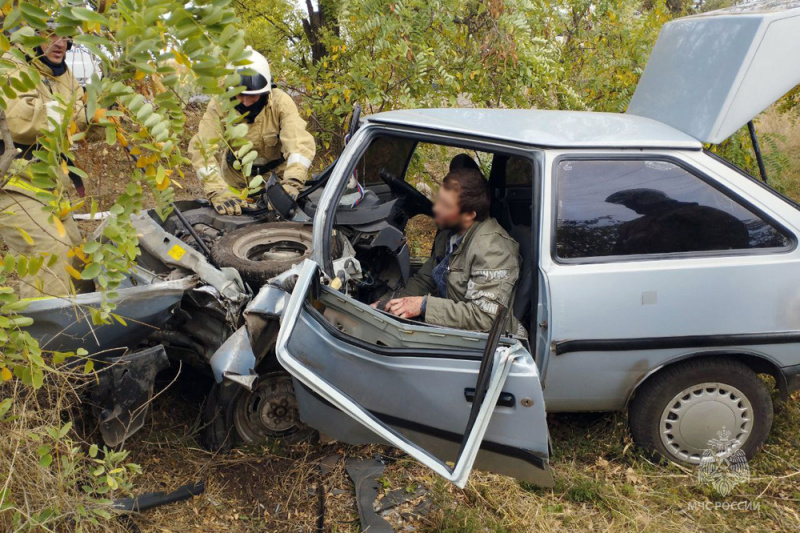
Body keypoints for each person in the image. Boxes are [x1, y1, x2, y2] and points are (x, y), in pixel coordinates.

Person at [375, 166, 523, 334]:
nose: (436, 208)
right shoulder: (448, 235)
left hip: (484, 346)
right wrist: (384, 304)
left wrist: (424, 305)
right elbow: (425, 280)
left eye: (445, 205)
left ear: (469, 215)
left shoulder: (493, 250)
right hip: (455, 330)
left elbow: (485, 319)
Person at [0, 25, 90, 298]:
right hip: (12, 185)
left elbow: (80, 121)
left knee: (79, 254)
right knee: (50, 250)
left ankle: (82, 328)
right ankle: (48, 338)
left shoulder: (61, 73)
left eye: (64, 36)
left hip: (50, 188)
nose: (59, 42)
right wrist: (75, 115)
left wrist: (98, 113)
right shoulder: (10, 67)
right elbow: (20, 122)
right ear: (29, 35)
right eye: (50, 34)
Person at [189, 47, 316, 215]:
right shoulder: (220, 104)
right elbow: (203, 149)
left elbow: (299, 145)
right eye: (241, 95)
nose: (247, 102)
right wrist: (217, 190)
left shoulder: (281, 103)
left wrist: (292, 183)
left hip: (276, 182)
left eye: (253, 96)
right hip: (235, 182)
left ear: (265, 92)